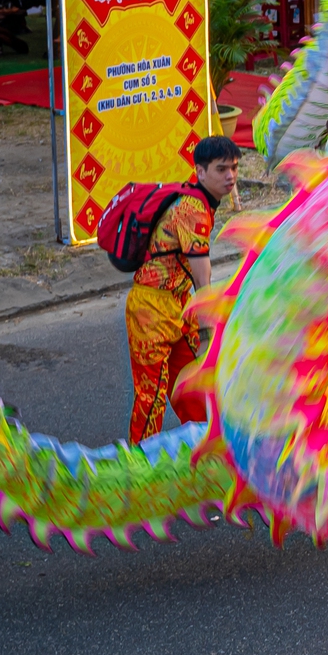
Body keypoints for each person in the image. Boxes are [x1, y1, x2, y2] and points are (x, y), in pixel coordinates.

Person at [124, 136, 238, 441]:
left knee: (191, 386)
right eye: (221, 169)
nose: (230, 176)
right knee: (152, 397)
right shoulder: (193, 209)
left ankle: (211, 449)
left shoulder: (200, 202)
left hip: (177, 304)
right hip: (150, 310)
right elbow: (203, 277)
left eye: (234, 168)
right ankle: (138, 469)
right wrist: (208, 333)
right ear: (200, 172)